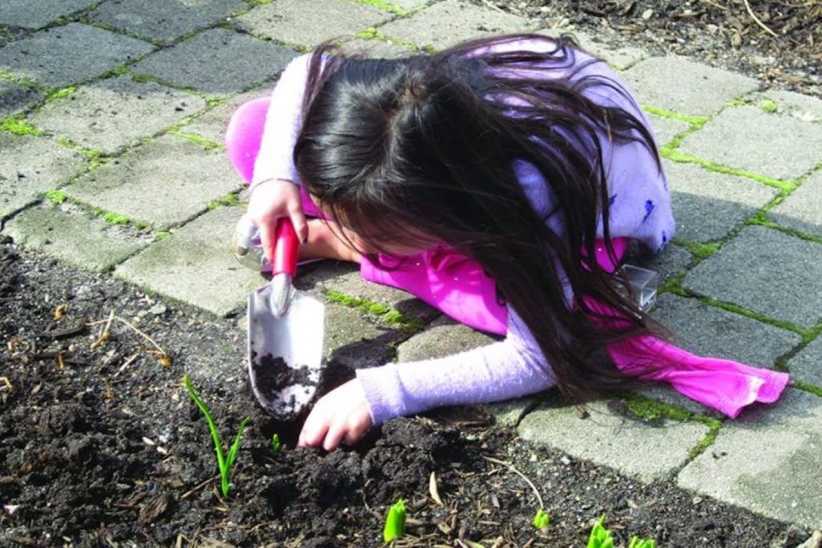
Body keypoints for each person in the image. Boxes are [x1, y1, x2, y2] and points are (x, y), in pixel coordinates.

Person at [230, 33, 789, 451]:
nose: (356, 232)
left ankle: (350, 247)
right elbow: (307, 69)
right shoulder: (406, 98)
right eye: (343, 220)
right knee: (254, 131)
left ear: (455, 217)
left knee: (520, 304)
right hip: (471, 173)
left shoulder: (533, 203)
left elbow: (537, 357)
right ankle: (356, 228)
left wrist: (381, 392)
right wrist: (275, 178)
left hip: (593, 222)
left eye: (376, 235)